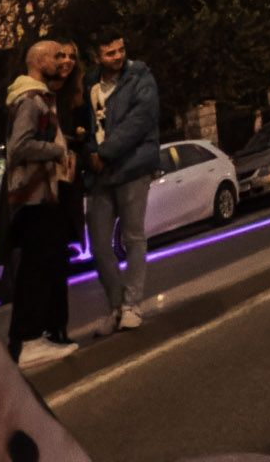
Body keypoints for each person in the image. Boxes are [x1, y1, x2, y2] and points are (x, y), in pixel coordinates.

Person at [0, 41, 79, 364]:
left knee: (40, 265)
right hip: (34, 195)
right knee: (35, 267)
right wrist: (58, 151)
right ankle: (30, 341)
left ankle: (31, 339)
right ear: (37, 61)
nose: (61, 60)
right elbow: (20, 146)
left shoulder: (36, 96)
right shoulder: (31, 98)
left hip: (37, 194)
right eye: (55, 55)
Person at [79, 33, 164, 330]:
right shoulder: (89, 82)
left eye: (120, 50)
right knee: (100, 245)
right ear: (96, 56)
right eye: (109, 53)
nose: (117, 57)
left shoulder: (140, 76)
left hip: (132, 166)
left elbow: (140, 120)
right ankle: (116, 306)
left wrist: (105, 152)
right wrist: (90, 152)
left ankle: (132, 304)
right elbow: (83, 125)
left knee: (133, 237)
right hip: (99, 173)